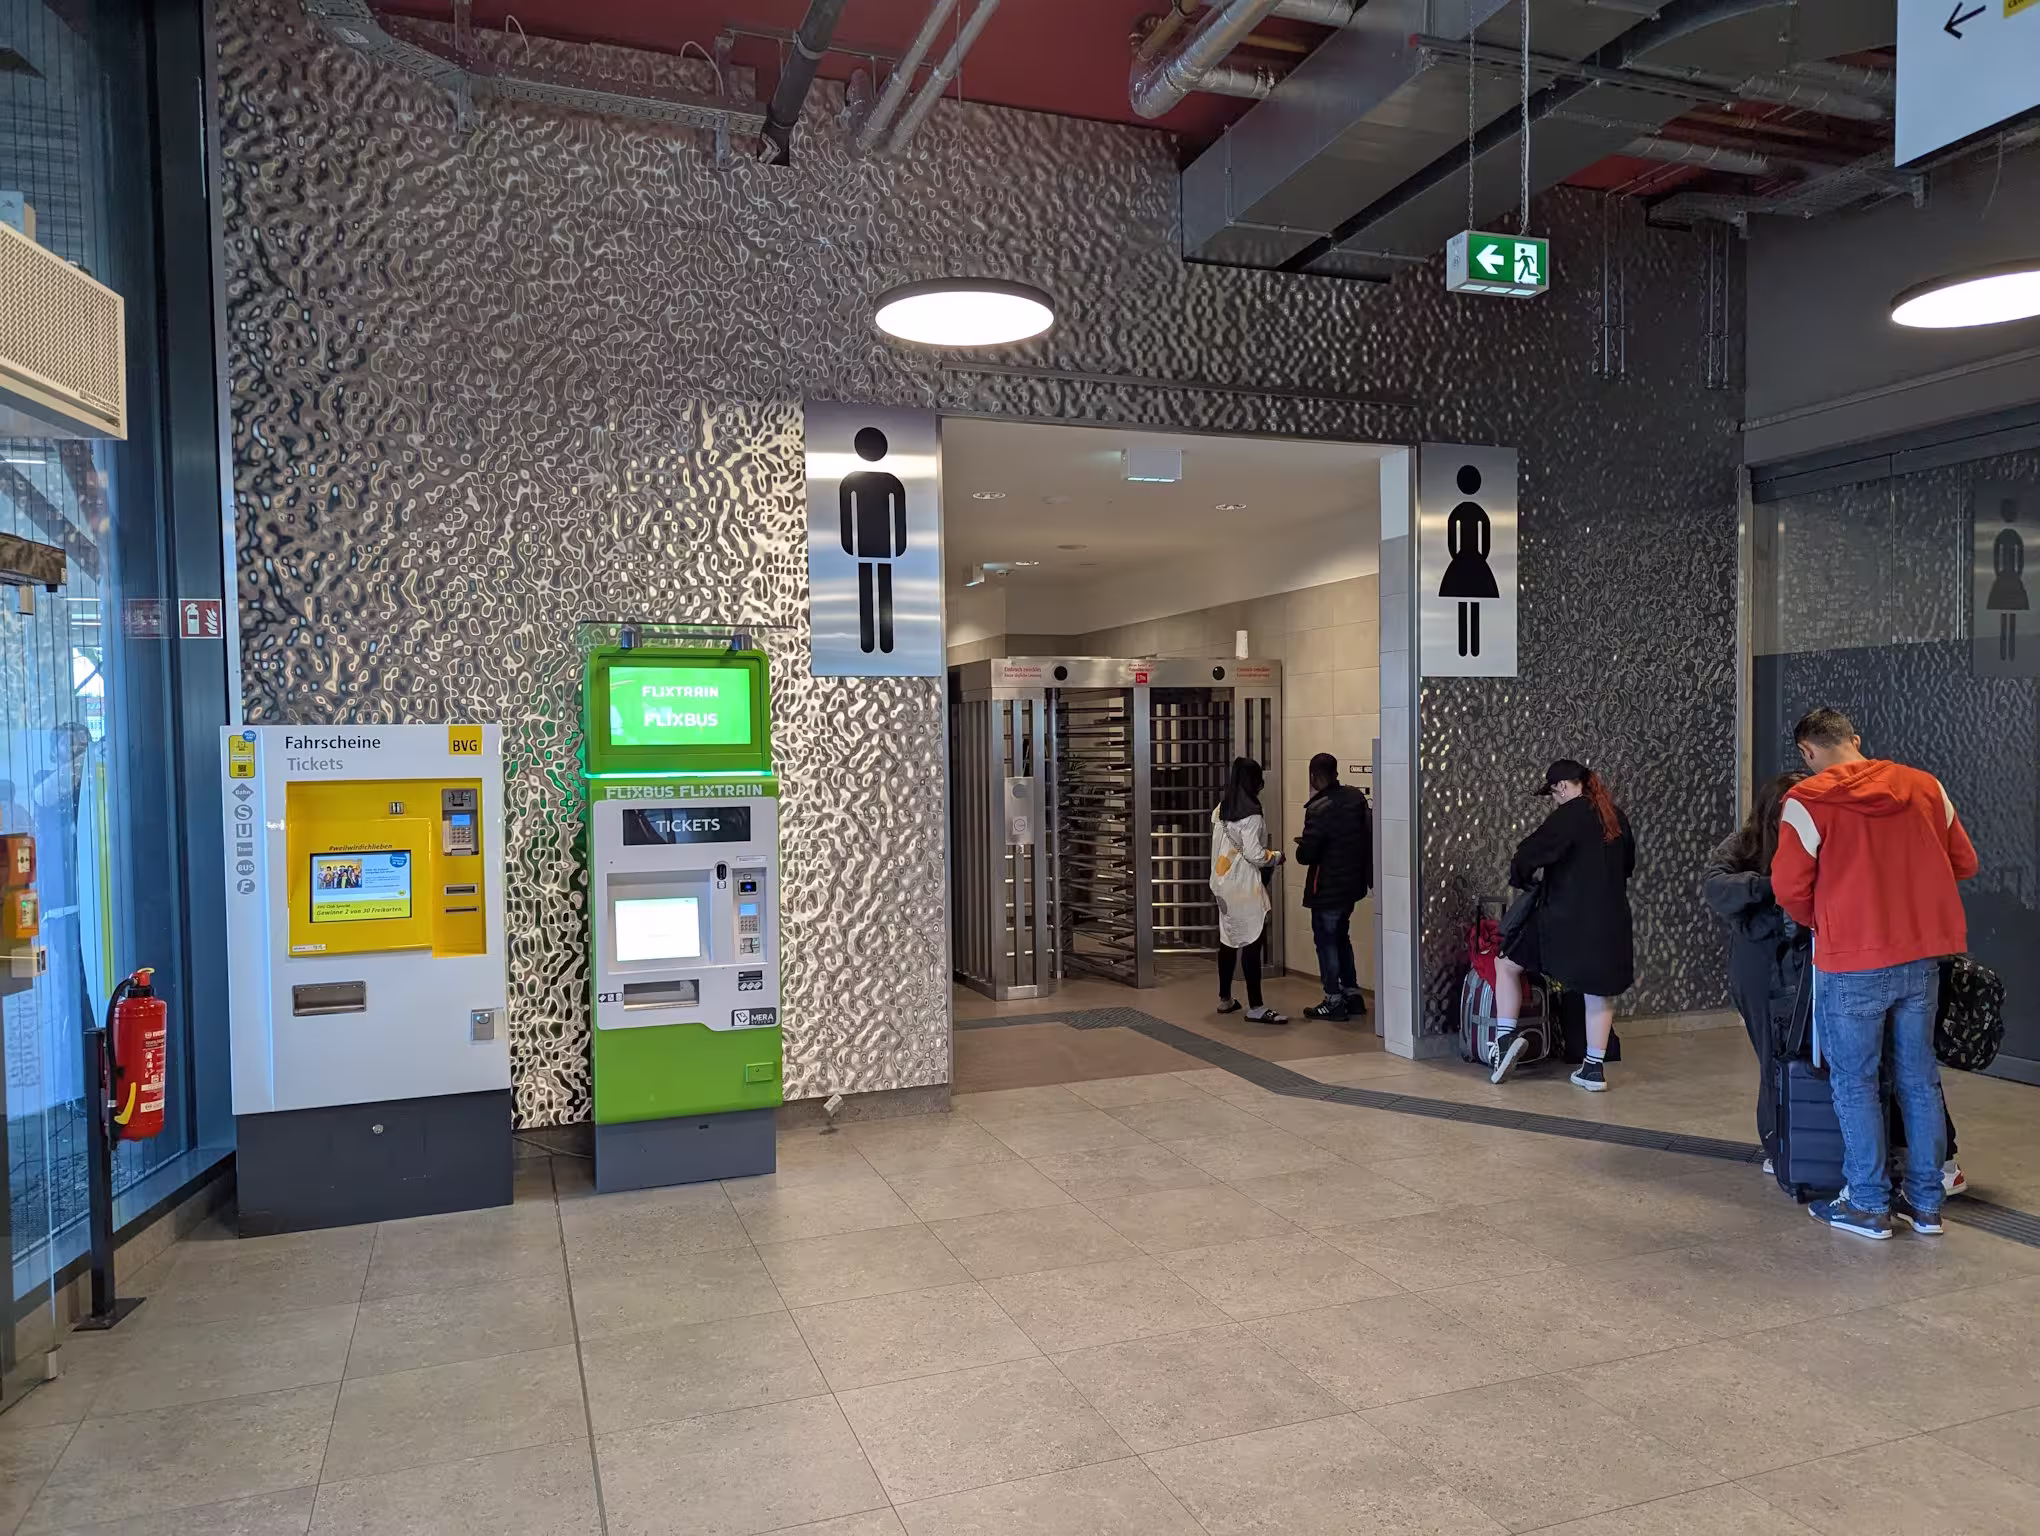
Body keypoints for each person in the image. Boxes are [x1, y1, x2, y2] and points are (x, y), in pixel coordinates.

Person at [1773, 707, 1978, 1240]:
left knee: (1855, 1082)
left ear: (1808, 752)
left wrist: (1829, 916)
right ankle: (1927, 1204)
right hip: (1921, 958)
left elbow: (1790, 888)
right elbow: (1963, 861)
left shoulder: (1806, 801)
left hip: (1852, 961)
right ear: (1855, 740)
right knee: (1919, 1079)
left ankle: (1867, 1203)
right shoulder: (1926, 786)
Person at [1491, 759, 1635, 1091]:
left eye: (1554, 793)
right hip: (1611, 919)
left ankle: (1503, 1040)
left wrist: (1522, 879)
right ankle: (1593, 1069)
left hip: (1563, 919)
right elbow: (1628, 865)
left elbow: (1528, 854)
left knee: (1506, 964)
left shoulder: (1570, 814)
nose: (1555, 799)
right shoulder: (1617, 817)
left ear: (1563, 787)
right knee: (1597, 988)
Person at [1702, 771, 1809, 1165]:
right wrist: (1767, 886)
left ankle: (1805, 1142)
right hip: (1759, 964)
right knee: (1773, 1057)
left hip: (1804, 962)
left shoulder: (1817, 838)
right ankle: (1779, 1144)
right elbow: (1714, 886)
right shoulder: (1747, 843)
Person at [1294, 752, 1371, 1023]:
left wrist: (1301, 848)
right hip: (1352, 885)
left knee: (1326, 942)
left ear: (1314, 776)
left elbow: (1308, 855)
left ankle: (1333, 1000)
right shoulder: (1355, 798)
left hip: (1326, 889)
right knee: (1341, 937)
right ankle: (1352, 994)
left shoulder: (1318, 808)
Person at [1209, 757, 1286, 1023]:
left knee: (1228, 940)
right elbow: (1255, 854)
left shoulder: (1221, 809)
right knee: (1253, 941)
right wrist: (1275, 856)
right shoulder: (1251, 814)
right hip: (1244, 885)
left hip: (1222, 885)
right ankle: (1256, 1007)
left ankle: (1225, 998)